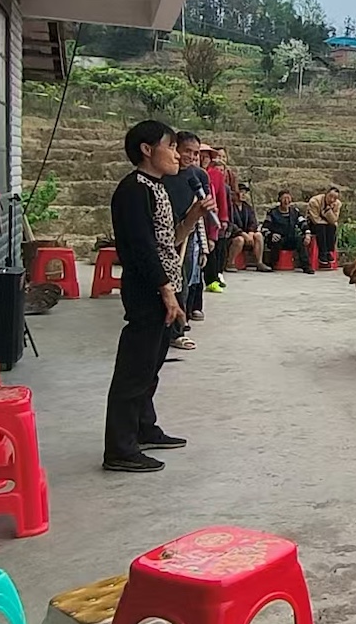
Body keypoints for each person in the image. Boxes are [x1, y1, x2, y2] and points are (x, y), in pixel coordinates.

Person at [103, 120, 208, 473]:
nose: (177, 154)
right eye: (170, 146)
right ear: (147, 150)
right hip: (148, 289)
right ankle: (119, 448)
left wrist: (193, 216)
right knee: (134, 370)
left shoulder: (157, 187)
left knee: (151, 367)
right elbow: (143, 249)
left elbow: (170, 240)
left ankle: (144, 428)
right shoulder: (133, 190)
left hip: (166, 286)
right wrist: (166, 293)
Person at [167, 132, 217, 344]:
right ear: (175, 148)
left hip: (187, 234)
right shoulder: (165, 173)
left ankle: (178, 330)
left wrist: (205, 244)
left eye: (195, 153)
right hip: (163, 232)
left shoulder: (199, 176)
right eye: (187, 151)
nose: (191, 156)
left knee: (183, 281)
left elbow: (202, 211)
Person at [262, 190, 314, 273]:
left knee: (300, 240)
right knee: (276, 241)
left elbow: (303, 223)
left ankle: (306, 266)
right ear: (279, 200)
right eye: (284, 198)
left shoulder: (295, 212)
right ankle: (272, 264)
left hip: (290, 238)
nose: (286, 201)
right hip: (277, 240)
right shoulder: (272, 213)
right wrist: (271, 235)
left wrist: (307, 233)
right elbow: (264, 228)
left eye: (288, 198)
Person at [219, 181, 267, 272]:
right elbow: (230, 223)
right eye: (241, 192)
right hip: (233, 236)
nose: (243, 195)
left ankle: (259, 262)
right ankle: (230, 263)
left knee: (258, 236)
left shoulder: (247, 208)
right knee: (239, 240)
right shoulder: (230, 207)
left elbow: (253, 222)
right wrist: (242, 233)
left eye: (245, 193)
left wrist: (251, 233)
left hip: (247, 236)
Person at [306, 185, 342, 269]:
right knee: (321, 227)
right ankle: (322, 253)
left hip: (326, 224)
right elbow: (315, 219)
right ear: (326, 194)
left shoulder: (337, 204)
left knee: (332, 227)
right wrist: (326, 217)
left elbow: (334, 220)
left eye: (335, 198)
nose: (332, 200)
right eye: (330, 196)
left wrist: (328, 211)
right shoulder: (314, 201)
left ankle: (329, 251)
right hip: (313, 224)